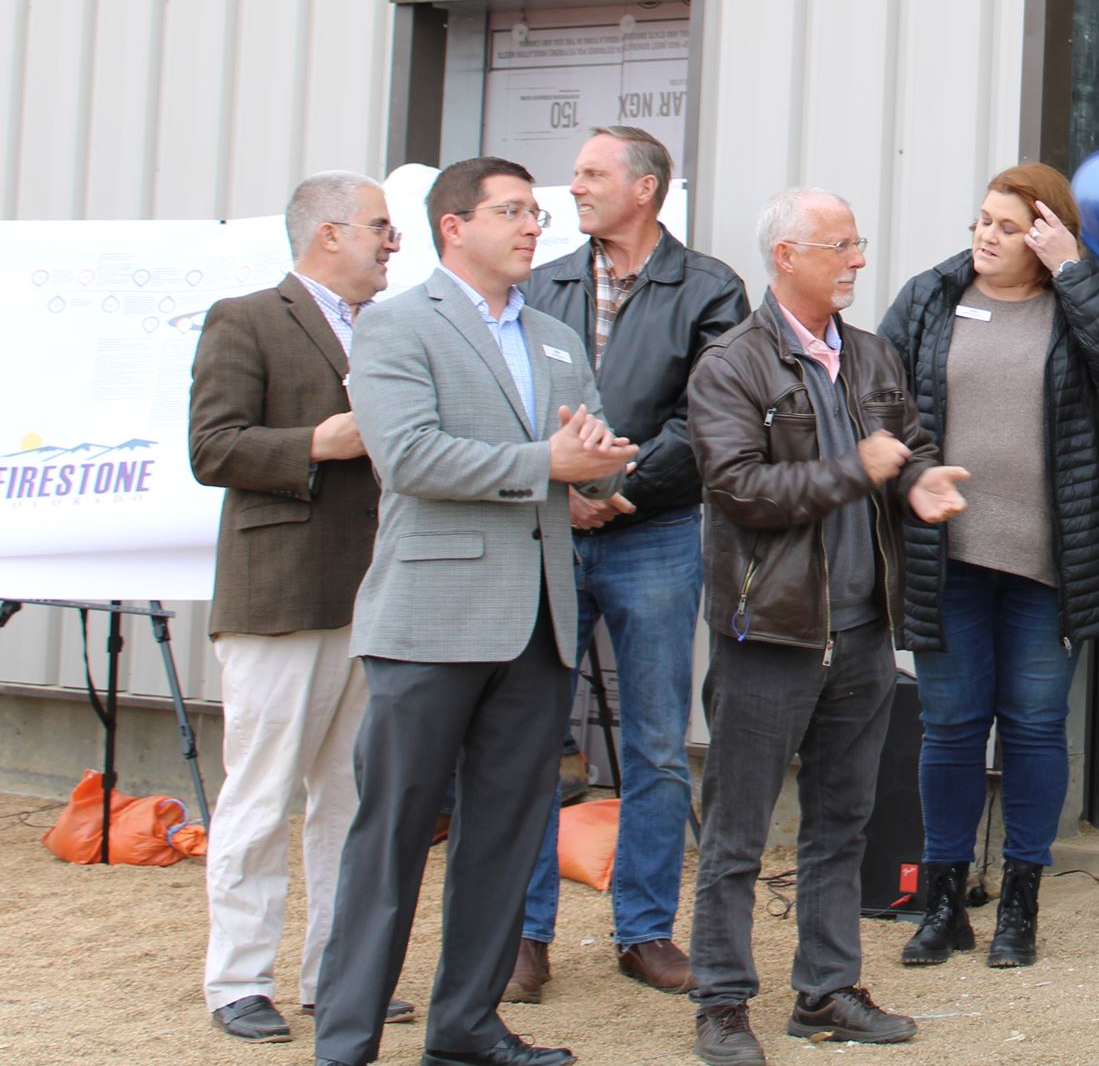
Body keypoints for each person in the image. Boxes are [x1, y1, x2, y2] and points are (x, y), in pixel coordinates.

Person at [310, 157, 638, 1066]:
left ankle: (466, 1027)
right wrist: (549, 468)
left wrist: (604, 466)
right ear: (454, 225)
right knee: (393, 838)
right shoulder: (395, 324)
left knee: (502, 837)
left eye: (537, 211)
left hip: (539, 623)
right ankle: (346, 1040)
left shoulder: (557, 336)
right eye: (513, 210)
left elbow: (588, 442)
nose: (537, 225)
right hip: (430, 618)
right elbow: (409, 455)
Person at [683, 188, 970, 1063]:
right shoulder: (732, 364)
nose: (856, 259)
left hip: (862, 630)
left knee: (842, 820)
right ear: (786, 256)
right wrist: (856, 469)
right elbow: (740, 490)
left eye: (858, 243)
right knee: (735, 830)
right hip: (769, 634)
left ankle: (826, 987)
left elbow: (906, 443)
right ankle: (722, 1003)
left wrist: (916, 480)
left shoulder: (873, 355)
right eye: (839, 245)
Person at [878, 163, 1099, 971]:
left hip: (1047, 564)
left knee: (1036, 727)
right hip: (948, 556)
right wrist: (904, 480)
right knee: (952, 727)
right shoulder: (932, 296)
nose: (985, 236)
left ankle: (1022, 902)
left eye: (1007, 226)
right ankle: (944, 902)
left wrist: (1074, 267)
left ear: (1044, 234)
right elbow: (879, 398)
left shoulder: (1077, 301)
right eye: (982, 219)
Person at [508, 128, 750, 1004]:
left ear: (645, 188)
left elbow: (712, 414)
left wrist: (619, 486)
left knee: (655, 744)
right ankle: (525, 936)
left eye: (591, 174)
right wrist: (565, 488)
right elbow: (519, 401)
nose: (572, 186)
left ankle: (643, 929)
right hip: (551, 528)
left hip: (654, 532)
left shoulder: (711, 287)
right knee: (533, 735)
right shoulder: (542, 284)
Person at [190, 173, 413, 1044]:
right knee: (261, 793)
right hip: (280, 595)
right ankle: (239, 979)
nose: (393, 242)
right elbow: (212, 444)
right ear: (327, 234)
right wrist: (316, 443)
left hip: (376, 594)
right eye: (379, 227)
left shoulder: (390, 328)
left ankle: (336, 972)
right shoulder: (245, 318)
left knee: (353, 800)